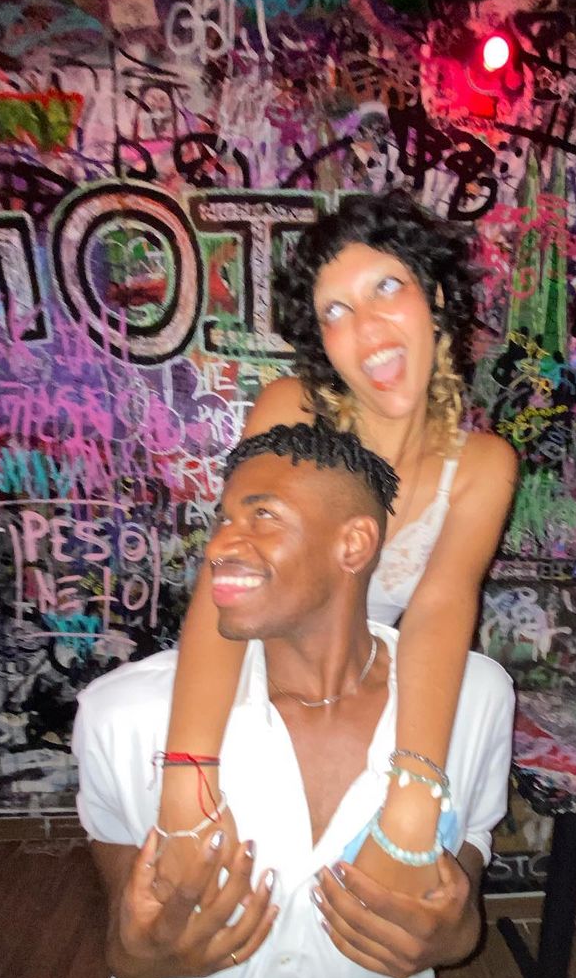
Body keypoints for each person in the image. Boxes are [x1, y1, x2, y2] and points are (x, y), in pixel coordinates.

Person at [67, 422, 514, 978]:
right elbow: (123, 934)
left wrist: (456, 934)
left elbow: (465, 884)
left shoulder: (475, 700)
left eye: (262, 516)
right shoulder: (125, 716)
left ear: (354, 544)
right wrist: (139, 949)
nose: (222, 544)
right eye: (223, 520)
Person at [157, 191, 518, 895]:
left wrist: (413, 795)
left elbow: (440, 610)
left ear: (436, 298)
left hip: (367, 680)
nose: (367, 328)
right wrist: (186, 785)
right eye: (335, 311)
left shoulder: (482, 464)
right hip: (263, 665)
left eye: (387, 288)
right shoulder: (292, 413)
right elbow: (228, 578)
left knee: (485, 696)